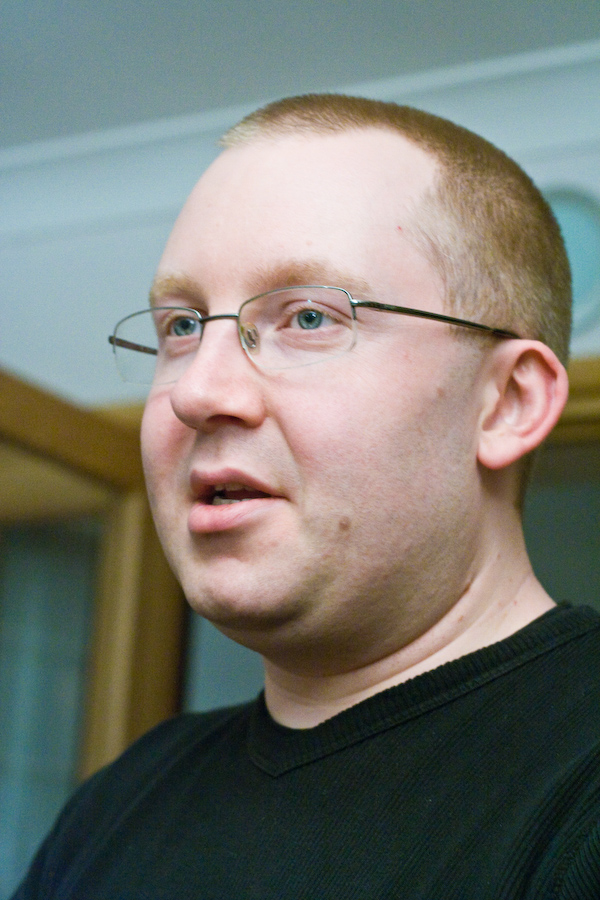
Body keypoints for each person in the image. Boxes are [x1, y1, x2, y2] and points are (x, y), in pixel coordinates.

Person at [13, 94, 600, 899]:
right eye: (182, 327)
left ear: (506, 404)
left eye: (310, 317)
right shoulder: (115, 806)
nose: (198, 392)